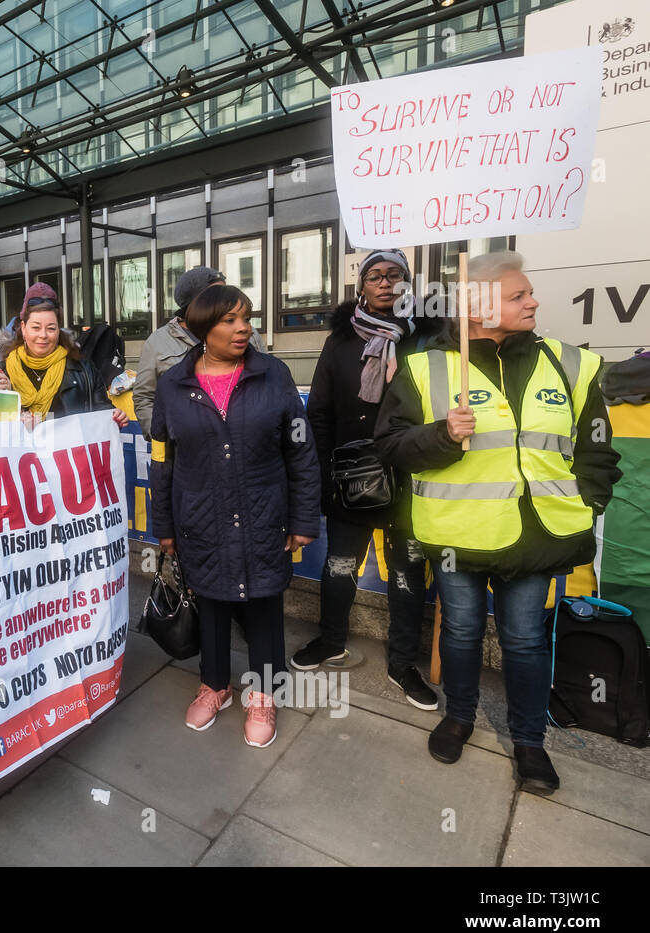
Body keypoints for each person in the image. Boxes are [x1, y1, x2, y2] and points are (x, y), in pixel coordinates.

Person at [374, 252, 621, 794]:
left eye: (529, 294)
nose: (533, 301)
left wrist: (589, 504)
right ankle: (458, 717)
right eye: (518, 296)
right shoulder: (424, 366)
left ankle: (529, 742)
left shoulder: (572, 364)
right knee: (459, 632)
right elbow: (390, 446)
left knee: (526, 641)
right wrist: (441, 434)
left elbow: (598, 451)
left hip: (539, 537)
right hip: (457, 536)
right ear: (479, 306)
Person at [149, 286, 319, 747]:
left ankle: (263, 693)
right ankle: (216, 685)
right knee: (212, 603)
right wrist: (162, 524)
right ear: (201, 329)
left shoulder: (275, 376)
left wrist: (304, 519)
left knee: (263, 603)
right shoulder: (172, 386)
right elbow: (162, 460)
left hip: (265, 514)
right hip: (200, 517)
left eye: (246, 317)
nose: (242, 327)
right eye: (229, 320)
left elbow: (300, 451)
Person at [293, 250, 441, 709]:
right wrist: (317, 472)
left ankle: (401, 665)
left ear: (407, 283)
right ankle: (331, 639)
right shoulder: (340, 339)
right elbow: (318, 410)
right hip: (351, 474)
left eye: (394, 275)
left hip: (413, 475)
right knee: (339, 565)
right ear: (361, 287)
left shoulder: (431, 337)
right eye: (374, 275)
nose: (383, 282)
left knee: (408, 573)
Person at [134, 267, 266, 440]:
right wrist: (165, 436)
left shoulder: (249, 333)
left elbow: (270, 385)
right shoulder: (158, 342)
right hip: (190, 452)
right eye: (215, 295)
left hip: (248, 443)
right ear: (193, 305)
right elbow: (145, 397)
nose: (225, 299)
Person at [0, 292, 128, 427]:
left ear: (58, 330)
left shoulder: (85, 371)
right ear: (23, 328)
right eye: (36, 328)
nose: (43, 335)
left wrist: (115, 419)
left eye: (51, 328)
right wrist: (4, 398)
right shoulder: (1, 373)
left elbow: (103, 415)